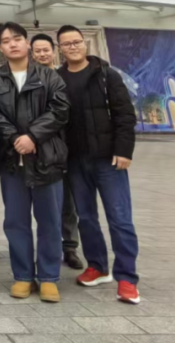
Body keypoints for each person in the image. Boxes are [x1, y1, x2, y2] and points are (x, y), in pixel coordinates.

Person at [0, 22, 69, 303]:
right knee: (15, 221)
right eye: (6, 40)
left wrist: (32, 136)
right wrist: (14, 138)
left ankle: (49, 277)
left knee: (50, 221)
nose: (13, 44)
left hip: (46, 160)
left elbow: (60, 110)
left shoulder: (49, 76)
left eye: (17, 38)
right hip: (12, 162)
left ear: (27, 42)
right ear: (0, 47)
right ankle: (22, 275)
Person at [57, 26, 141, 305]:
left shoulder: (107, 75)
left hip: (108, 159)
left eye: (76, 42)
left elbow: (125, 114)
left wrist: (124, 150)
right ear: (60, 49)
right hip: (75, 160)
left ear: (85, 44)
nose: (72, 47)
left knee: (120, 218)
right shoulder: (57, 79)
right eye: (66, 44)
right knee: (86, 217)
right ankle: (97, 266)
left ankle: (127, 278)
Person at [31, 33, 82, 272]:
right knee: (46, 203)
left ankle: (70, 246)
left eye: (46, 50)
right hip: (42, 147)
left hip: (69, 146)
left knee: (68, 200)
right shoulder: (30, 79)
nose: (42, 54)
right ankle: (47, 249)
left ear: (54, 51)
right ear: (32, 54)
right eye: (38, 51)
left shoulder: (64, 77)